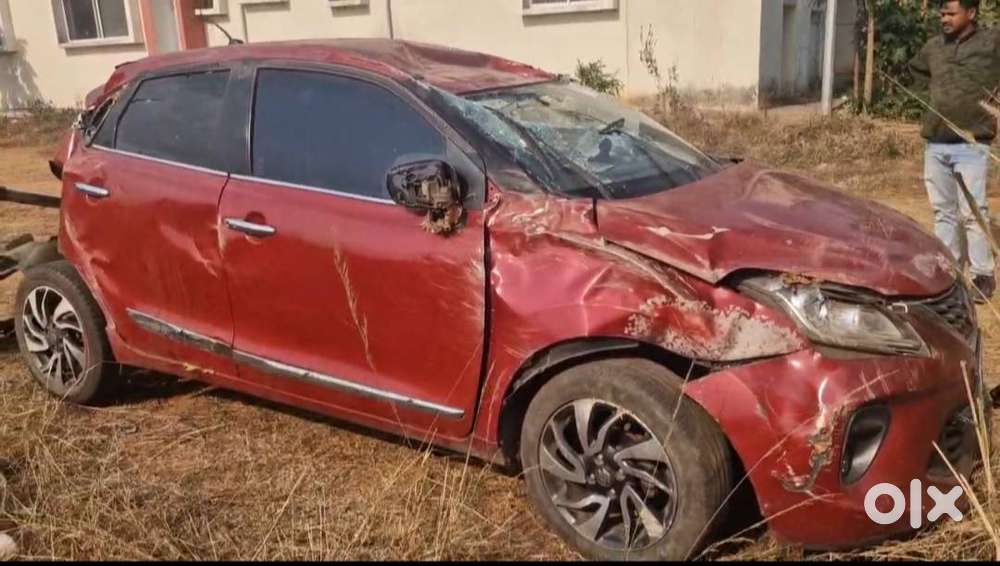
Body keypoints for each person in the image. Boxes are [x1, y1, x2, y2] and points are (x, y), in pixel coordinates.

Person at [910, 0, 999, 302]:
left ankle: (982, 274)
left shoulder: (991, 43)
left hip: (973, 145)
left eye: (951, 13)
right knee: (943, 212)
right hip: (936, 143)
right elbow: (918, 73)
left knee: (973, 212)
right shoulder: (934, 47)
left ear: (971, 13)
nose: (944, 18)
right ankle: (948, 272)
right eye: (942, 13)